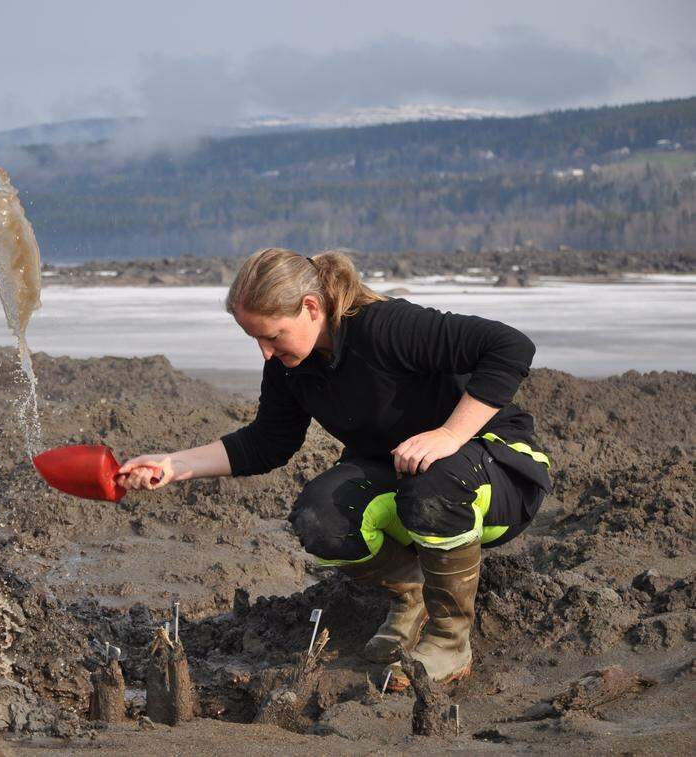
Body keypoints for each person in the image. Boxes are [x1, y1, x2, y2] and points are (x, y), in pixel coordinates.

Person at [115, 248, 551, 689]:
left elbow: (511, 346)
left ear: (310, 307)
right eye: (256, 339)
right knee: (320, 516)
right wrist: (173, 465)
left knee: (433, 483)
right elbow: (267, 442)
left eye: (273, 335)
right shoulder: (290, 366)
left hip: (499, 471)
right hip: (406, 477)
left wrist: (451, 435)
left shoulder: (385, 327)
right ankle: (412, 596)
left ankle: (450, 638)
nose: (266, 352)